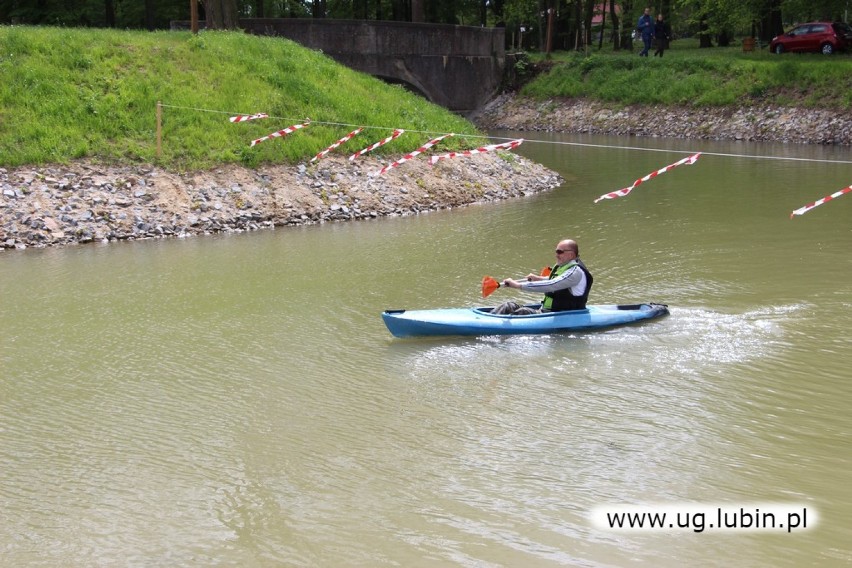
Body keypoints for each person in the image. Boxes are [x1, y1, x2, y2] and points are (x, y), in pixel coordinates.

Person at [492, 239, 594, 315]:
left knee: (522, 312)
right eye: (556, 251)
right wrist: (538, 278)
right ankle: (490, 320)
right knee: (508, 305)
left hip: (563, 315)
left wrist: (518, 285)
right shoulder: (563, 266)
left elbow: (552, 285)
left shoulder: (575, 272)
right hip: (546, 311)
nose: (556, 255)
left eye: (560, 252)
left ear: (571, 255)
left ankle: (493, 329)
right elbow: (557, 280)